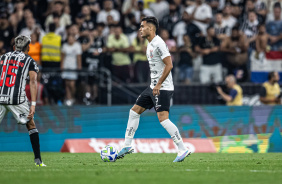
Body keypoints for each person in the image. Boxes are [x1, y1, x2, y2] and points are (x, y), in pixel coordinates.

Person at [117, 16, 191, 162]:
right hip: (153, 87)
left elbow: (169, 65)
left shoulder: (159, 43)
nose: (140, 29)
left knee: (163, 120)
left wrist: (158, 85)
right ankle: (127, 145)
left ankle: (182, 148)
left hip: (162, 88)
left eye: (142, 26)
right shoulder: (149, 44)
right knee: (134, 111)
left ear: (150, 28)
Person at [0, 35, 45, 166]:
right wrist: (33, 104)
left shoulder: (3, 57)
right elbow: (33, 81)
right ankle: (38, 160)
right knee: (30, 125)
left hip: (1, 97)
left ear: (14, 46)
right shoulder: (29, 60)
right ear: (28, 47)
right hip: (17, 99)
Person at [61, 35, 82, 106]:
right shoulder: (65, 46)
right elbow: (62, 57)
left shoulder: (77, 46)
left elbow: (79, 57)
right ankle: (68, 99)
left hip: (73, 67)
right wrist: (62, 66)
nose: (70, 40)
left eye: (71, 38)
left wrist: (79, 66)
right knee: (67, 84)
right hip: (66, 66)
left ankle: (73, 97)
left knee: (72, 84)